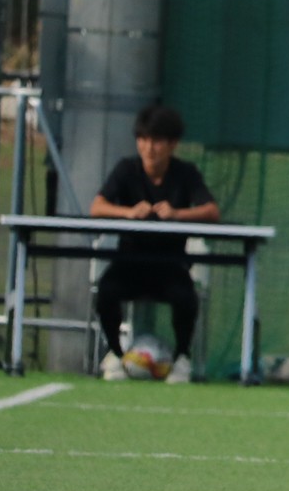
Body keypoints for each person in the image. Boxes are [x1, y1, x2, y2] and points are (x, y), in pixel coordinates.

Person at [90, 104, 220, 384]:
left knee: (186, 297)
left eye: (157, 141)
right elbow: (97, 206)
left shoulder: (186, 173)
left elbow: (211, 211)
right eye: (143, 139)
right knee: (107, 291)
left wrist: (177, 214)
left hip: (170, 266)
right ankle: (115, 354)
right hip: (129, 264)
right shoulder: (126, 169)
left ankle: (182, 358)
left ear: (172, 144)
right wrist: (128, 212)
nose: (149, 148)